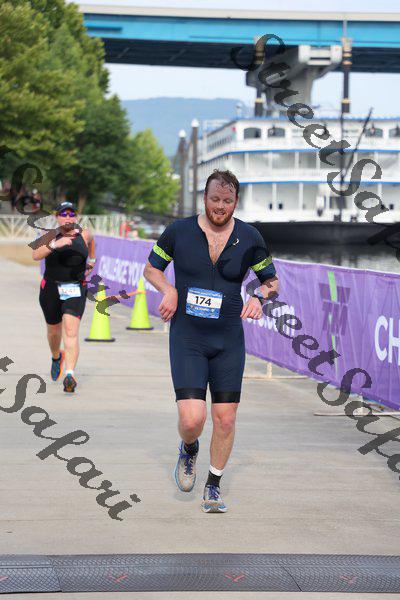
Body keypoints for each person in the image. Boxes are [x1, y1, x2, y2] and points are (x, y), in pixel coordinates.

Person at [144, 169, 279, 513]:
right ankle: (189, 448)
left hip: (228, 340)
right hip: (188, 337)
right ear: (204, 198)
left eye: (227, 201)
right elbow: (151, 269)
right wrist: (169, 289)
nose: (220, 206)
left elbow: (271, 281)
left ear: (236, 202)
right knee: (192, 420)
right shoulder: (179, 231)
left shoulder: (250, 237)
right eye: (215, 199)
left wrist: (259, 297)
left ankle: (214, 485)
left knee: (226, 418)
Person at [32, 201, 96, 393]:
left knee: (70, 330)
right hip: (51, 289)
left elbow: (92, 243)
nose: (68, 217)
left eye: (71, 214)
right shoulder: (49, 235)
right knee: (54, 332)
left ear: (76, 216)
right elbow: (36, 255)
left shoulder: (84, 234)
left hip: (75, 288)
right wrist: (55, 244)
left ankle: (70, 374)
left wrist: (91, 261)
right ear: (57, 217)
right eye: (63, 214)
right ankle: (56, 357)